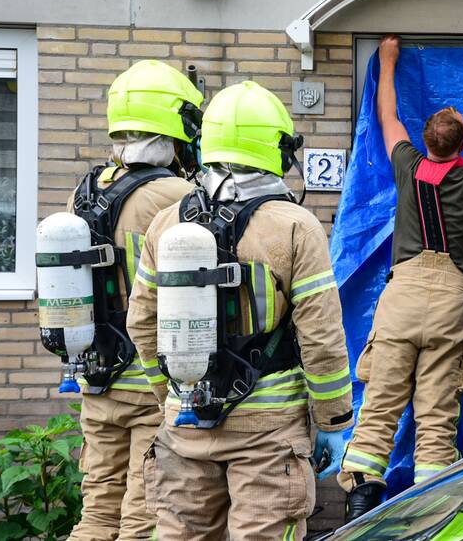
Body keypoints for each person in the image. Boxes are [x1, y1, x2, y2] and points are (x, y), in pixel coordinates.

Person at [126, 81, 352, 540]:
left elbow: (141, 322)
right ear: (278, 149)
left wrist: (170, 393)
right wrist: (332, 420)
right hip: (268, 434)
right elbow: (321, 336)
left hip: (185, 423)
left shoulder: (168, 222)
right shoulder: (295, 226)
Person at [338, 34, 463, 521]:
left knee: (380, 405)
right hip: (449, 304)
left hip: (401, 298)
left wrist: (387, 60)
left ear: (425, 143)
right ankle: (433, 516)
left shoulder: (407, 166)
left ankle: (359, 502)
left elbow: (387, 116)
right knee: (437, 414)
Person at [64, 59, 203, 541]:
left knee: (97, 508)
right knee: (143, 516)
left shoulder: (85, 192)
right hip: (148, 382)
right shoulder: (179, 197)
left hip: (95, 376)